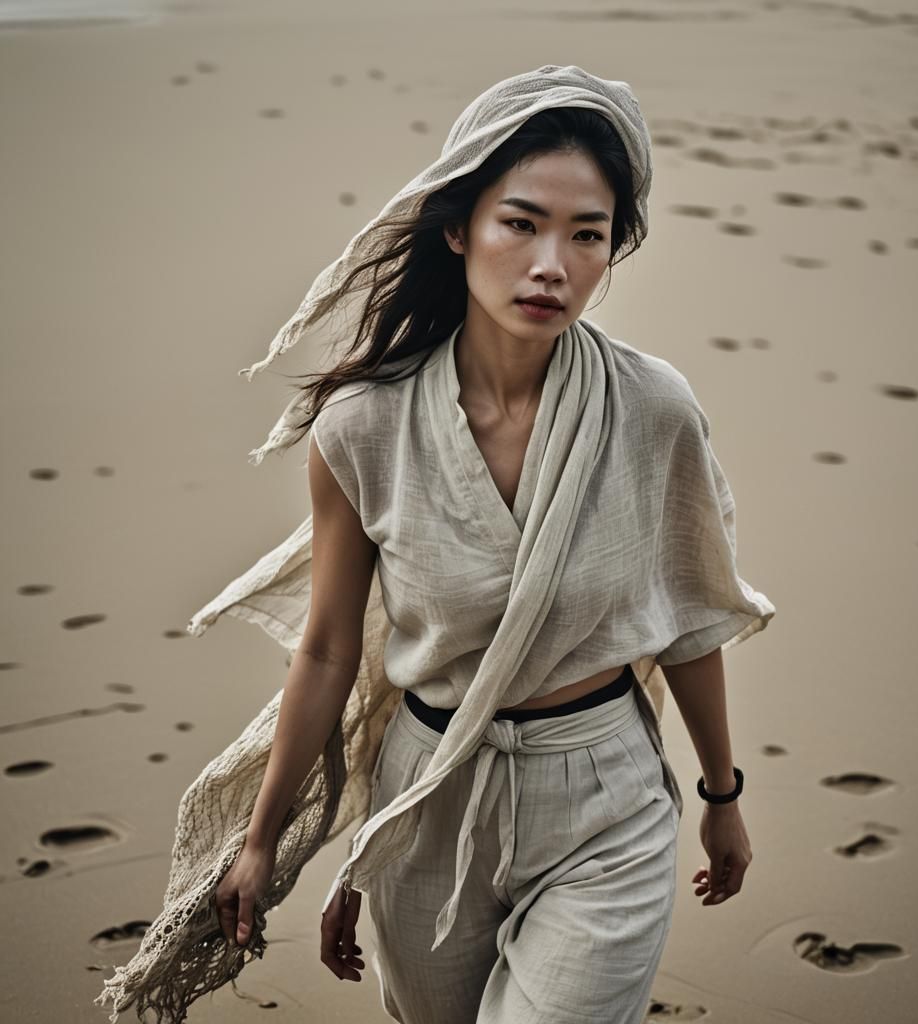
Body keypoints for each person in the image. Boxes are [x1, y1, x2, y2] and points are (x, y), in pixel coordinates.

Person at [95, 65, 774, 1024]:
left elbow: (690, 617)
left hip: (605, 799)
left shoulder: (651, 410)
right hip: (428, 794)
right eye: (522, 223)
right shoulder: (365, 428)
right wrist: (260, 839)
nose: (553, 265)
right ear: (457, 227)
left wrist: (720, 792)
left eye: (588, 236)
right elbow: (330, 649)